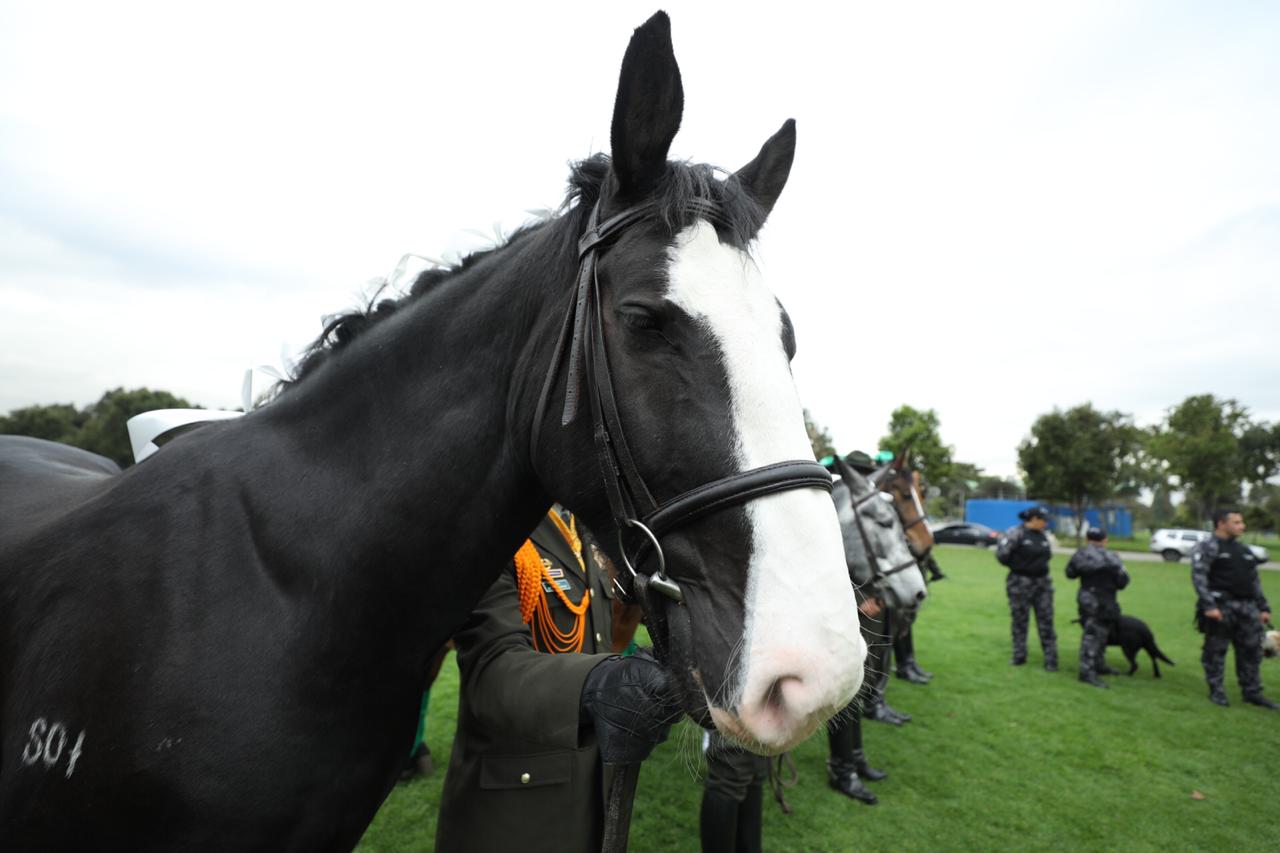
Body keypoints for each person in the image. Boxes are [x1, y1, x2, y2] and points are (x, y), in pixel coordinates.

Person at [434, 506, 682, 851]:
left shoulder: (581, 525)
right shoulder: (494, 527)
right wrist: (597, 684)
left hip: (589, 796)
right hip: (516, 815)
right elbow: (490, 667)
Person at [1190, 508, 1276, 709]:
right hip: (1221, 608)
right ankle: (1217, 691)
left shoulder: (1244, 551)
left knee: (1251, 651)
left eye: (1241, 522)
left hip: (1248, 608)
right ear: (1221, 523)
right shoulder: (1207, 547)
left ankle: (1252, 692)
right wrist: (1209, 605)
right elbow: (1199, 577)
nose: (1242, 526)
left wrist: (1263, 607)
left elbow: (1254, 581)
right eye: (1236, 522)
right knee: (1215, 651)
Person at [995, 505, 1058, 670]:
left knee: (1046, 622)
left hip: (1042, 583)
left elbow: (1048, 555)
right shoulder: (1016, 533)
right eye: (1043, 520)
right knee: (1020, 621)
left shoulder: (1043, 535)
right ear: (1034, 519)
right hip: (1020, 583)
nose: (1045, 523)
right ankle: (1019, 656)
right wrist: (1019, 566)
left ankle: (1051, 660)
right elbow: (1002, 554)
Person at [1065, 528, 1129, 688]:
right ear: (1105, 540)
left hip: (1087, 598)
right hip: (1106, 598)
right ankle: (1086, 671)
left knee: (1095, 632)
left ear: (1087, 539)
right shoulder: (1113, 557)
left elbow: (1070, 573)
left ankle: (1098, 665)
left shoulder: (1081, 554)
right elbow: (1123, 581)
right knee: (1096, 634)